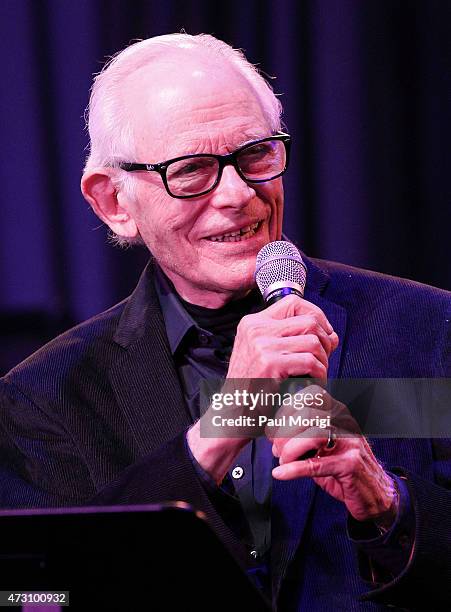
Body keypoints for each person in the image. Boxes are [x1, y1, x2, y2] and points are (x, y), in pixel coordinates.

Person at [0, 33, 450, 610]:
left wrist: (386, 503)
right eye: (191, 170)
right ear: (113, 201)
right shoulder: (44, 398)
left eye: (255, 155)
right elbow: (31, 598)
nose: (238, 194)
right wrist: (223, 425)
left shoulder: (428, 330)